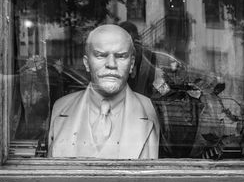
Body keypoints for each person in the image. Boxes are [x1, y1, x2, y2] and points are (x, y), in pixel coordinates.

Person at [48, 24, 160, 159]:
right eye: (100, 55)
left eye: (121, 56)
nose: (111, 64)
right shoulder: (61, 108)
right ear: (86, 63)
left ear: (131, 64)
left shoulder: (150, 110)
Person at [119, 21, 156, 97]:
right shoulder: (148, 54)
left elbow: (155, 79)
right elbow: (155, 79)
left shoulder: (148, 54)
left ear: (130, 34)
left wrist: (167, 93)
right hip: (138, 99)